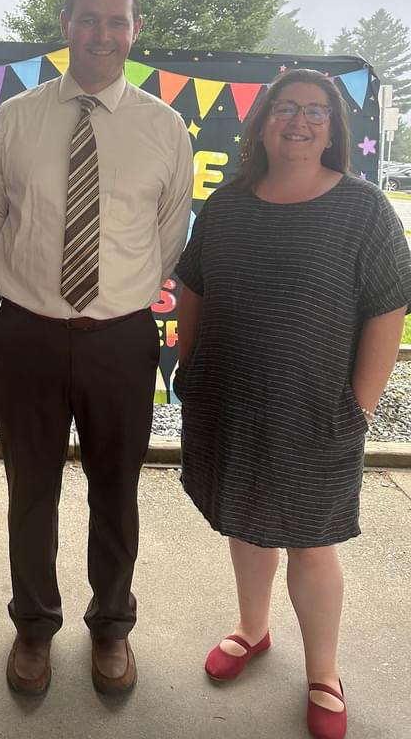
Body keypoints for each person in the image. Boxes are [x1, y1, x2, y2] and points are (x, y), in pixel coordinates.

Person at [0, 0, 193, 696]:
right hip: (29, 333)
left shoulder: (164, 129)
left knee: (116, 490)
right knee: (29, 490)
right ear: (66, 25)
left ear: (134, 30)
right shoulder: (15, 119)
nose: (104, 33)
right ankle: (33, 628)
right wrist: (36, 295)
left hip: (120, 339)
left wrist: (115, 299)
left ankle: (111, 628)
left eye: (118, 20)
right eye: (90, 18)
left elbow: (166, 240)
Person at [174, 68, 411, 739]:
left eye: (315, 111)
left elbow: (388, 309)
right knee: (244, 525)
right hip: (230, 403)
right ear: (264, 124)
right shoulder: (227, 204)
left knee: (311, 541)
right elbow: (192, 288)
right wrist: (193, 372)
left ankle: (324, 671)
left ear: (334, 129)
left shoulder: (362, 210)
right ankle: (253, 630)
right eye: (286, 109)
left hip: (316, 411)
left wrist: (359, 406)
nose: (299, 121)